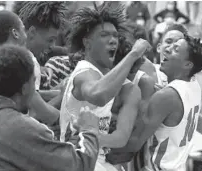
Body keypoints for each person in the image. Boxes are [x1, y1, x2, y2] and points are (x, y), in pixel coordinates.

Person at [60, 3, 149, 171]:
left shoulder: (125, 86)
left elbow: (121, 138)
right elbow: (99, 95)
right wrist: (134, 54)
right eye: (104, 35)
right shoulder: (84, 71)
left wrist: (91, 136)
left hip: (98, 157)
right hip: (75, 157)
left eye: (115, 35)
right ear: (87, 43)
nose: (112, 39)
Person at [107, 34, 202, 171]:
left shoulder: (166, 96)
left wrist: (98, 145)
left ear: (187, 65)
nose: (168, 50)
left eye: (176, 49)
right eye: (168, 44)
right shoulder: (194, 87)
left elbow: (134, 143)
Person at [0, 44, 99, 171]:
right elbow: (79, 166)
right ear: (24, 88)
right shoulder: (21, 128)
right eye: (33, 81)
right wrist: (89, 130)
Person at [0, 10, 59, 125]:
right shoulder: (15, 67)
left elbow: (33, 95)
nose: (26, 35)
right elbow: (44, 114)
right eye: (23, 28)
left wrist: (58, 92)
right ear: (15, 33)